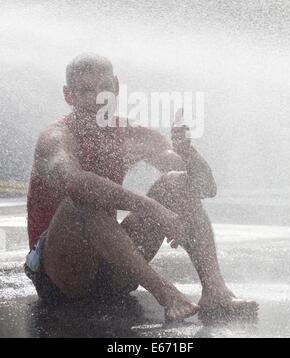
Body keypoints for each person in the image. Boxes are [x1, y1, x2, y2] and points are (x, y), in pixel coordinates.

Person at [25, 53, 258, 322]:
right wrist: (153, 208)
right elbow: (76, 183)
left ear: (117, 88)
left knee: (175, 182)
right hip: (63, 275)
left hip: (114, 268)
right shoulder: (56, 138)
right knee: (79, 200)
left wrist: (189, 154)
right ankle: (166, 293)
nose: (98, 99)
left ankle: (216, 290)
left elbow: (205, 188)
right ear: (69, 95)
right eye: (86, 91)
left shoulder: (131, 133)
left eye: (105, 89)